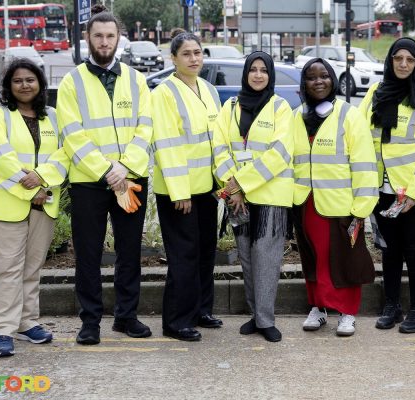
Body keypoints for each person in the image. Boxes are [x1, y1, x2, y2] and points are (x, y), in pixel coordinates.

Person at [56, 4, 153, 345]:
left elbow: (146, 127)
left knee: (129, 252)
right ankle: (90, 322)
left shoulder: (137, 79)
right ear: (88, 38)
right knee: (88, 254)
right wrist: (107, 169)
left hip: (129, 180)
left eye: (110, 35)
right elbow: (71, 133)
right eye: (98, 35)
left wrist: (124, 167)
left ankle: (126, 317)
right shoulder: (72, 82)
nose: (104, 41)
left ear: (119, 39)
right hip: (89, 183)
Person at [0, 59, 69, 356]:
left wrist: (43, 180)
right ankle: (4, 329)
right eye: (18, 80)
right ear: (9, 86)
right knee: (6, 270)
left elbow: (64, 155)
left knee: (32, 268)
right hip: (8, 205)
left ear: (40, 84)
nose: (25, 85)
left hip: (45, 204)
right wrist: (29, 189)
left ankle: (27, 323)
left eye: (30, 79)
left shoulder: (53, 117)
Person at [359, 37, 415, 334]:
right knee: (389, 250)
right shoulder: (374, 92)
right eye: (399, 58)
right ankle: (392, 304)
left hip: (413, 193)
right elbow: (360, 139)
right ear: (390, 60)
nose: (404, 64)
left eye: (410, 60)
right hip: (383, 189)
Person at [292, 58, 378, 337]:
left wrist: (362, 207)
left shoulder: (348, 115)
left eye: (324, 76)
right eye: (311, 77)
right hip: (306, 203)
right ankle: (318, 307)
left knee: (343, 261)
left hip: (341, 205)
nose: (319, 81)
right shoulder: (297, 116)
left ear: (334, 80)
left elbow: (365, 164)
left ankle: (347, 313)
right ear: (304, 84)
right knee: (312, 258)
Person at [212, 51, 294, 343]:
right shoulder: (230, 106)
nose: (258, 75)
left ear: (270, 75)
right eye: (253, 70)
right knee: (247, 258)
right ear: (245, 73)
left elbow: (281, 153)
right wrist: (232, 187)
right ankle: (255, 314)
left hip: (270, 195)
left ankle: (266, 319)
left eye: (264, 70)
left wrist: (240, 184)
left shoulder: (280, 107)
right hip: (238, 198)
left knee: (266, 259)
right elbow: (219, 147)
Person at [151, 33, 224, 342]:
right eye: (186, 54)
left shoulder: (208, 90)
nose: (194, 58)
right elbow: (167, 145)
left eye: (197, 53)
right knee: (183, 256)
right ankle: (176, 321)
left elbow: (218, 141)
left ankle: (200, 310)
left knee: (206, 252)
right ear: (173, 59)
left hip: (207, 188)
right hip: (178, 192)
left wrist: (224, 183)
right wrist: (179, 191)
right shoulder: (164, 93)